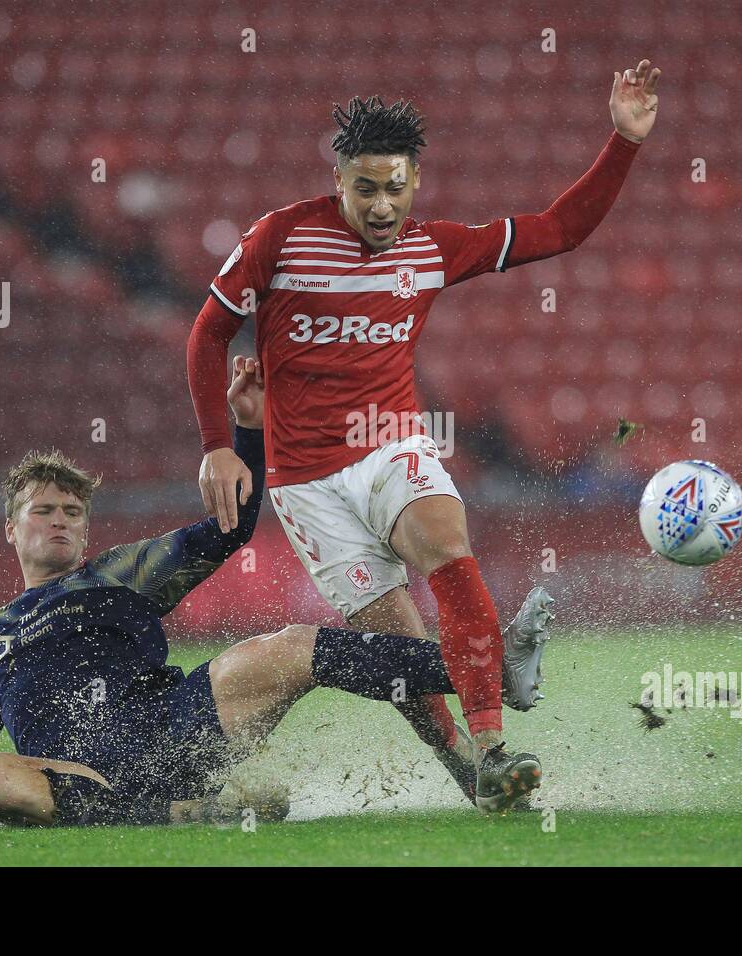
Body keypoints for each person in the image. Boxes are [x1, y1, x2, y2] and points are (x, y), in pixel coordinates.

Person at [0, 357, 553, 827]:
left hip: (173, 724)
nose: (62, 522)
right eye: (45, 511)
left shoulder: (119, 574)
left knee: (285, 646)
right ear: (11, 529)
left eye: (73, 511)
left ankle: (486, 670)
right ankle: (183, 814)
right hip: (78, 775)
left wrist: (246, 431)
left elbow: (230, 531)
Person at [188, 60, 658, 807]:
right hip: (304, 485)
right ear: (339, 182)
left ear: (415, 183)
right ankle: (477, 780)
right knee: (400, 657)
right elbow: (209, 334)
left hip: (389, 445)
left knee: (445, 543)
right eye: (365, 188)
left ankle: (495, 740)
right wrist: (219, 442)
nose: (382, 205)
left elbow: (560, 229)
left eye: (396, 187)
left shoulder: (433, 248)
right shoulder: (279, 237)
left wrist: (624, 142)